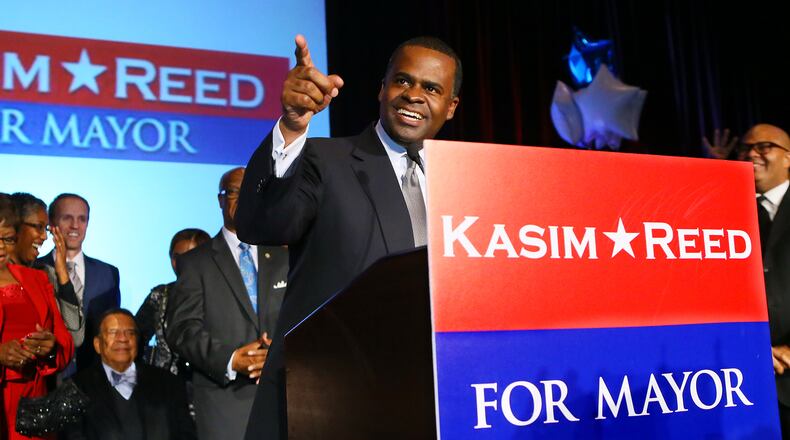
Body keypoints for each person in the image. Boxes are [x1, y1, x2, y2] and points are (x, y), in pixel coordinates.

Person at [235, 35, 461, 439]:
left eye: (431, 88)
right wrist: (291, 125)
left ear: (451, 106)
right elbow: (263, 224)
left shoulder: (467, 182)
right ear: (382, 88)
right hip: (326, 405)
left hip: (431, 403)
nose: (413, 96)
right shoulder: (326, 160)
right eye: (403, 81)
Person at [167, 167, 289, 440]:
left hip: (284, 398)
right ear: (221, 200)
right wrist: (232, 359)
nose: (242, 198)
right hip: (224, 404)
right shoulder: (195, 262)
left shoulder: (285, 257)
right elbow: (182, 329)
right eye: (234, 192)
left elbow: (301, 320)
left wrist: (279, 352)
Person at [705, 123, 790, 438]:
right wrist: (714, 175)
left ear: (788, 158)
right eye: (745, 148)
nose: (752, 153)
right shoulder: (726, 208)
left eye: (764, 146)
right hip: (739, 382)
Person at [0, 193, 74, 440]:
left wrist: (50, 347)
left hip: (33, 406)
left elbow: (66, 343)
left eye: (6, 238)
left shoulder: (37, 279)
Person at [64, 308, 196, 440]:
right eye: (113, 332)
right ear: (97, 344)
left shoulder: (169, 383)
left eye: (130, 333)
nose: (122, 339)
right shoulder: (76, 389)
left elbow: (186, 434)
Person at [38, 193, 120, 376]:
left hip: (93, 380)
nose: (75, 226)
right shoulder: (36, 270)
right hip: (48, 378)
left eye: (82, 219)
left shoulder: (108, 273)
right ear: (51, 223)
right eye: (67, 218)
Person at [10, 193, 83, 345]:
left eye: (46, 229)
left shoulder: (45, 276)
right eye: (38, 227)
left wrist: (62, 272)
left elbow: (76, 337)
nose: (44, 237)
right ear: (14, 226)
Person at [136, 228, 209, 376]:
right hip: (163, 386)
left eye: (190, 256)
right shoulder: (160, 295)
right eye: (176, 257)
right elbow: (137, 337)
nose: (182, 263)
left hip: (208, 386)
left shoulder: (220, 294)